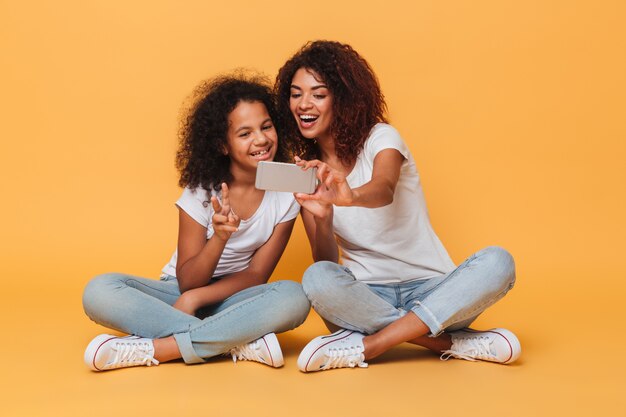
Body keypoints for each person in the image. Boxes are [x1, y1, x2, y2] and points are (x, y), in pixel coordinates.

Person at [274, 41, 520, 372]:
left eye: (318, 94)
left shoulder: (382, 137)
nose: (304, 104)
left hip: (434, 290)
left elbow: (384, 188)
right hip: (368, 295)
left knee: (498, 262)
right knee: (317, 277)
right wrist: (324, 218)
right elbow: (326, 261)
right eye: (296, 93)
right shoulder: (308, 172)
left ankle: (369, 344)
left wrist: (350, 196)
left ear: (342, 99)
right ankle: (449, 343)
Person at [82, 73, 310, 371]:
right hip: (177, 290)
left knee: (294, 297)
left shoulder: (288, 188)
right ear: (222, 145)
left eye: (266, 126)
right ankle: (235, 340)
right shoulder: (201, 190)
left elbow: (256, 275)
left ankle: (162, 348)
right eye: (245, 134)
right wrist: (218, 238)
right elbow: (188, 281)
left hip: (234, 298)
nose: (261, 139)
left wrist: (197, 299)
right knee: (99, 290)